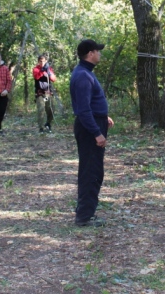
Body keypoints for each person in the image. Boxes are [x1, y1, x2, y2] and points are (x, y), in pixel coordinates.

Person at [69, 39, 114, 227]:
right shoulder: (82, 76)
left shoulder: (86, 73)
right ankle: (84, 217)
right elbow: (83, 110)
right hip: (89, 129)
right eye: (98, 51)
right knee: (90, 171)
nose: (100, 54)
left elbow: (92, 104)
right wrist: (97, 132)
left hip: (96, 123)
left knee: (94, 170)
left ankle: (86, 210)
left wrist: (104, 117)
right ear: (90, 54)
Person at [33, 54, 57, 134]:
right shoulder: (36, 69)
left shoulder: (49, 69)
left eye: (43, 61)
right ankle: (41, 127)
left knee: (51, 109)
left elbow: (54, 79)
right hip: (40, 93)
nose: (42, 63)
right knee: (41, 109)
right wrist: (42, 71)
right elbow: (36, 77)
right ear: (38, 62)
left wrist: (49, 73)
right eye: (40, 61)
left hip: (48, 92)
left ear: (46, 61)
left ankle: (48, 123)